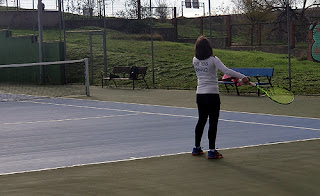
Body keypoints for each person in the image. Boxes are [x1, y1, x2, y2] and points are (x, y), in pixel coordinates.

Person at [192, 36, 250, 159]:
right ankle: (212, 151)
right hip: (212, 95)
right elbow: (226, 71)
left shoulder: (194, 60)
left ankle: (196, 148)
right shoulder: (213, 59)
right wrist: (243, 77)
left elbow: (226, 73)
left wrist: (240, 79)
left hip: (200, 95)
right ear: (209, 47)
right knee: (213, 122)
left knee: (201, 120)